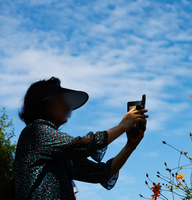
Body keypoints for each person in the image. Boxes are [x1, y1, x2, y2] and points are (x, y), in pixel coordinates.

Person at [13, 76, 148, 199]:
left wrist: (130, 145)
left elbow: (101, 173)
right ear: (43, 105)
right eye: (60, 100)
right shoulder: (36, 131)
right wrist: (122, 126)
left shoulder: (59, 152)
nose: (67, 105)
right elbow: (83, 144)